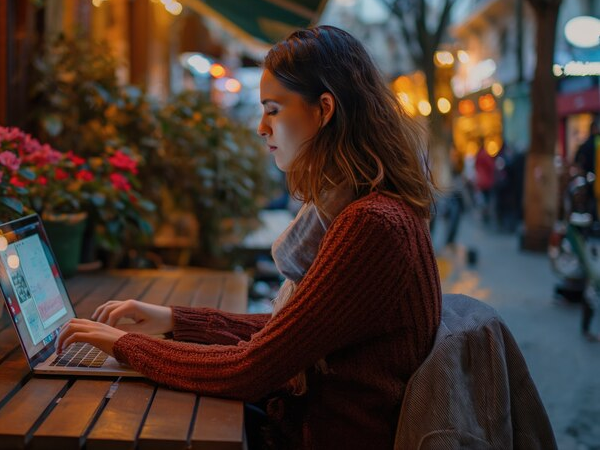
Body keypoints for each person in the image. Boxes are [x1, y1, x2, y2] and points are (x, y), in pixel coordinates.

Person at [57, 25, 442, 449]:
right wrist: (173, 320)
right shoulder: (369, 209)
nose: (261, 127)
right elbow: (292, 334)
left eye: (273, 109)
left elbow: (254, 367)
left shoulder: (371, 225)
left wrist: (126, 345)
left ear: (324, 109)